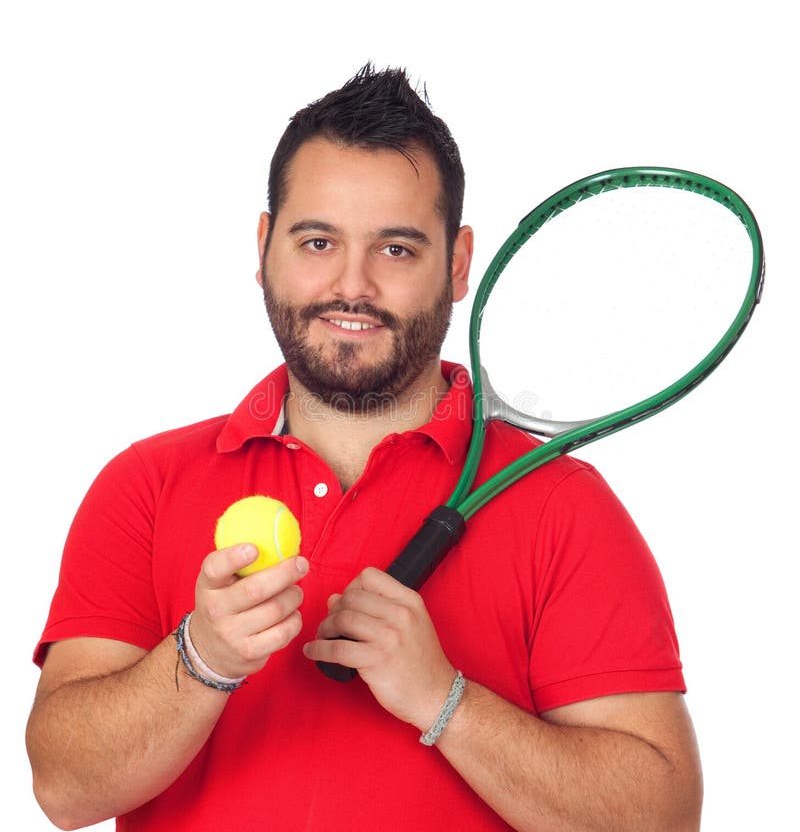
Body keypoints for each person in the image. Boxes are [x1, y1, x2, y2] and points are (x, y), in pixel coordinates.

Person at [27, 64, 703, 832]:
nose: (351, 286)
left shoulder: (560, 503)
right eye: (318, 240)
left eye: (396, 250)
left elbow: (659, 820)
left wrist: (446, 700)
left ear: (456, 264)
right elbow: (63, 788)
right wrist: (201, 657)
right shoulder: (144, 483)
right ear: (264, 245)